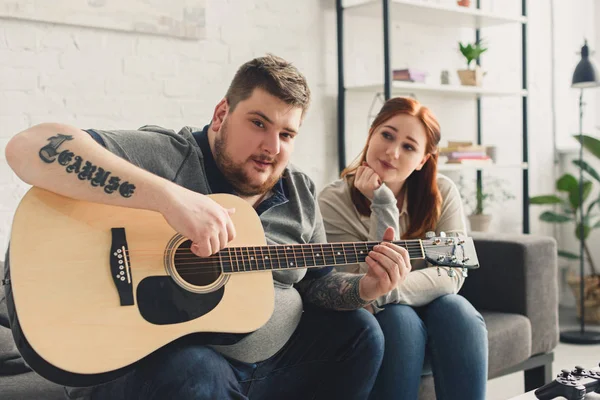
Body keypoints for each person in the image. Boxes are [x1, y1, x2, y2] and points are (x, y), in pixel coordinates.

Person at [5, 55, 413, 400]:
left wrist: (364, 289)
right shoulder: (168, 156)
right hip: (149, 366)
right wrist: (169, 199)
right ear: (222, 115)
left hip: (265, 368)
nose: (272, 147)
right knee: (196, 368)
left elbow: (315, 285)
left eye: (286, 134)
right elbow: (28, 148)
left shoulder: (299, 190)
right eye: (258, 123)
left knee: (362, 332)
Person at [318, 97, 489, 400]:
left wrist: (388, 289)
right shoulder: (332, 202)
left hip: (423, 302)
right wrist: (382, 202)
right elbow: (357, 284)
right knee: (399, 320)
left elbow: (453, 272)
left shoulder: (442, 193)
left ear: (423, 159)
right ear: (371, 133)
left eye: (409, 147)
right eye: (387, 135)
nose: (392, 152)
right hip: (372, 316)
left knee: (458, 310)